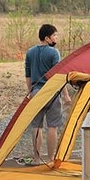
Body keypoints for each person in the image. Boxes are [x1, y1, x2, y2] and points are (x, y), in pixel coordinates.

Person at [25, 23, 71, 162]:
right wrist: (66, 95)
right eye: (54, 35)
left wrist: (30, 92)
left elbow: (28, 75)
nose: (56, 38)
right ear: (47, 38)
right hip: (51, 92)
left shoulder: (30, 52)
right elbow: (58, 75)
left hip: (35, 92)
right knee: (52, 126)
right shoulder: (54, 52)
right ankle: (51, 158)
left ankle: (36, 159)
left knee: (36, 126)